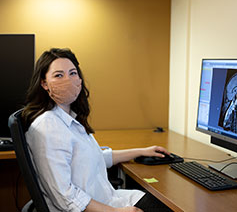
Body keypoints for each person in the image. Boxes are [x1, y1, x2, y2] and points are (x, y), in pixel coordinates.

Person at [22, 48, 172, 212]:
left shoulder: (68, 119)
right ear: (44, 83)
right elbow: (64, 196)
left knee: (164, 204)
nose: (69, 80)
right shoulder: (48, 127)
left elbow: (93, 158)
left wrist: (140, 151)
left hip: (107, 200)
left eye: (73, 73)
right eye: (59, 75)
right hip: (93, 208)